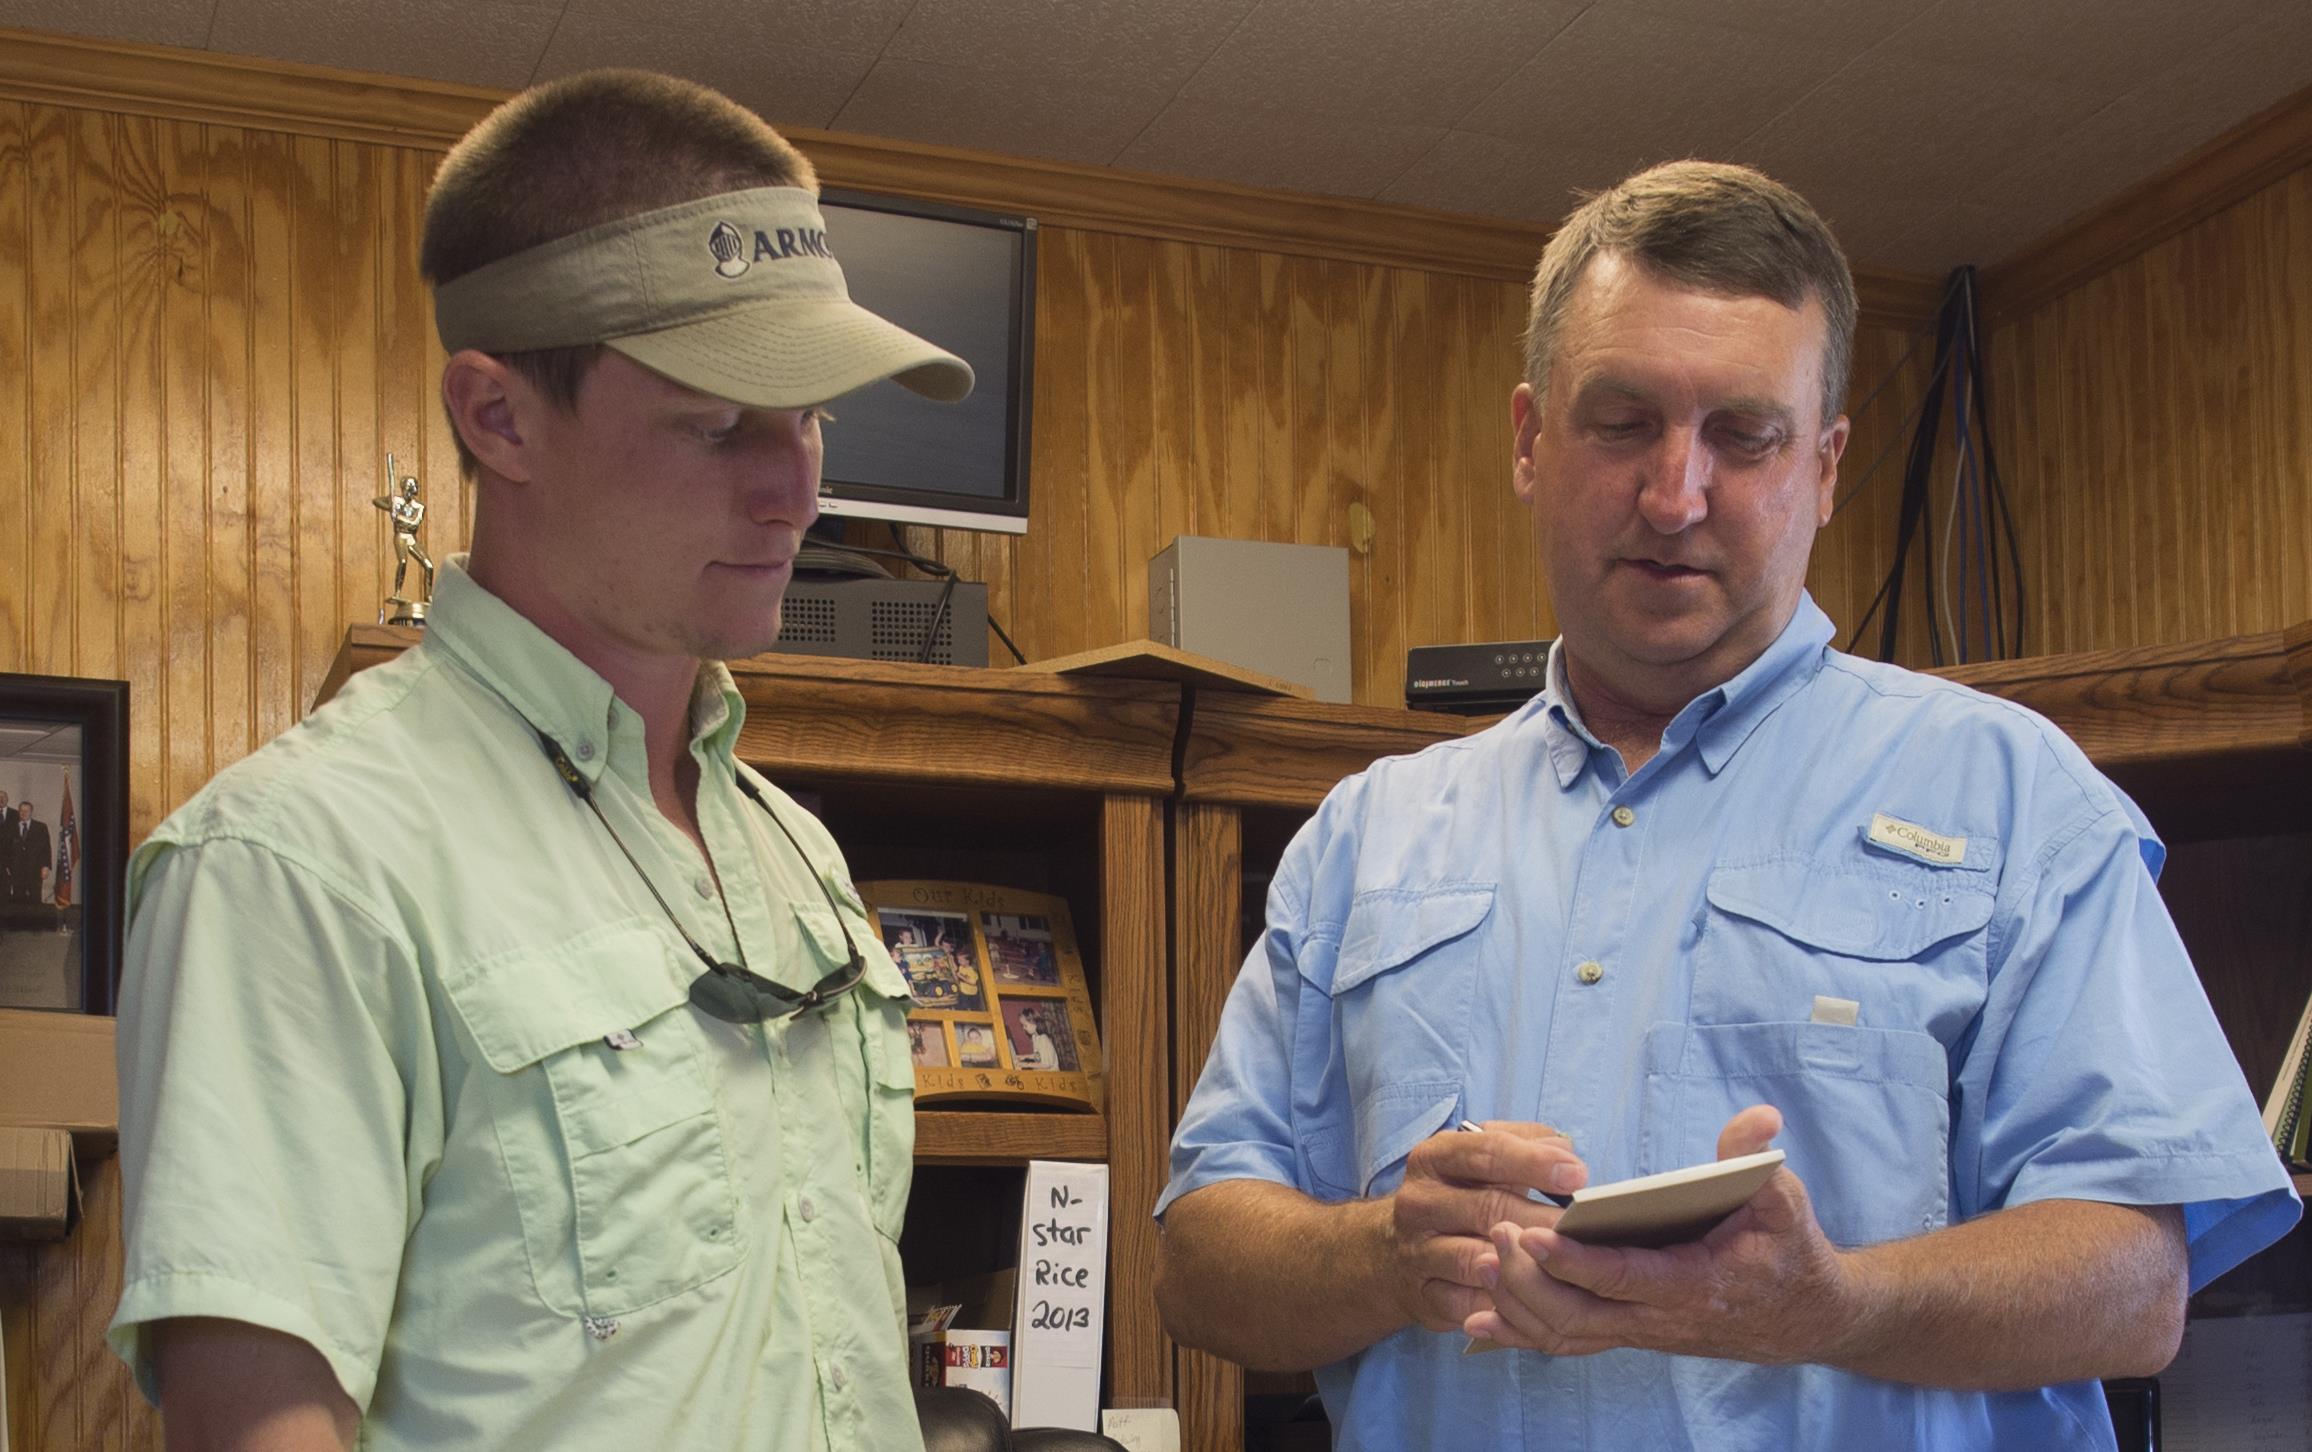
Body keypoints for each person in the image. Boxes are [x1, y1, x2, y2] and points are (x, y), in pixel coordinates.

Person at [1154, 160, 2300, 1449]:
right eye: (1622, 421)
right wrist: (1384, 1254)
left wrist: (1829, 1305)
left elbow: (2134, 1289)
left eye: (1742, 436)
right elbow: (1197, 1263)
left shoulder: (2016, 799)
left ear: (1822, 465)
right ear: (1530, 440)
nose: (1673, 495)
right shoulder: (1364, 838)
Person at [108, 69, 973, 1452]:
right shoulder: (297, 864)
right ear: (498, 418)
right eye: (719, 423)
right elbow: (260, 1422)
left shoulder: (795, 855)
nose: (798, 488)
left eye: (813, 418)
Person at [5, 800, 51, 922]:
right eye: (21, 810)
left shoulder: (41, 827)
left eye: (27, 811)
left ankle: (35, 923)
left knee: (35, 896)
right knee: (18, 896)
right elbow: (6, 849)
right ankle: (19, 922)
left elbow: (46, 849)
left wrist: (45, 867)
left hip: (35, 869)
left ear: (31, 812)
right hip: (17, 869)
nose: (24, 813)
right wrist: (7, 866)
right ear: (18, 812)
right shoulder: (11, 827)